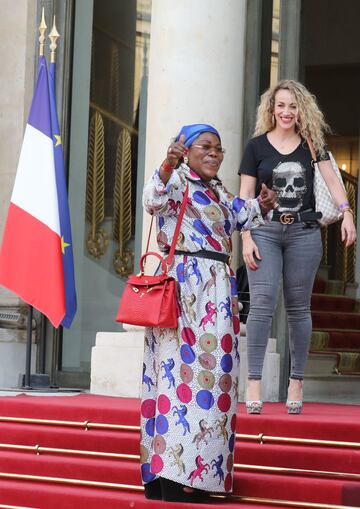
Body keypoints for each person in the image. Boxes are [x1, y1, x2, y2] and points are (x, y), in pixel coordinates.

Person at [140, 123, 276, 503]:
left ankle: (196, 474)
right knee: (177, 382)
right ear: (187, 150)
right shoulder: (178, 180)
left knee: (214, 381)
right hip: (185, 290)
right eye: (206, 147)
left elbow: (238, 215)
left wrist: (263, 204)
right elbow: (152, 199)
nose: (215, 153)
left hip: (217, 289)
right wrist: (167, 165)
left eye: (219, 148)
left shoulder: (216, 189)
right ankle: (169, 477)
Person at [238, 80, 356, 415]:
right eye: (281, 105)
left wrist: (347, 213)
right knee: (260, 304)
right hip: (264, 231)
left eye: (293, 106)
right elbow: (244, 198)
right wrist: (245, 237)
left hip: (304, 232)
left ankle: (296, 380)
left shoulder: (312, 144)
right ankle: (255, 380)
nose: (286, 112)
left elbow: (333, 182)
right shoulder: (256, 147)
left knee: (299, 308)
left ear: (301, 109)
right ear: (271, 109)